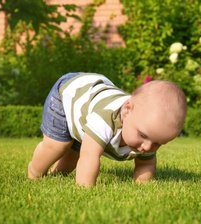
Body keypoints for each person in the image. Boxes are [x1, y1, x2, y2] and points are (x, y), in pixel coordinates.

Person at [28, 72, 187, 187]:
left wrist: (141, 188)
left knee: (72, 157)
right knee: (57, 145)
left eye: (158, 143)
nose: (147, 147)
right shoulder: (104, 119)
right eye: (143, 135)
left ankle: (56, 176)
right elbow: (89, 156)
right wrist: (86, 191)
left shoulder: (148, 130)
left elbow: (145, 165)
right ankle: (34, 174)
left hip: (89, 105)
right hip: (70, 94)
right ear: (127, 110)